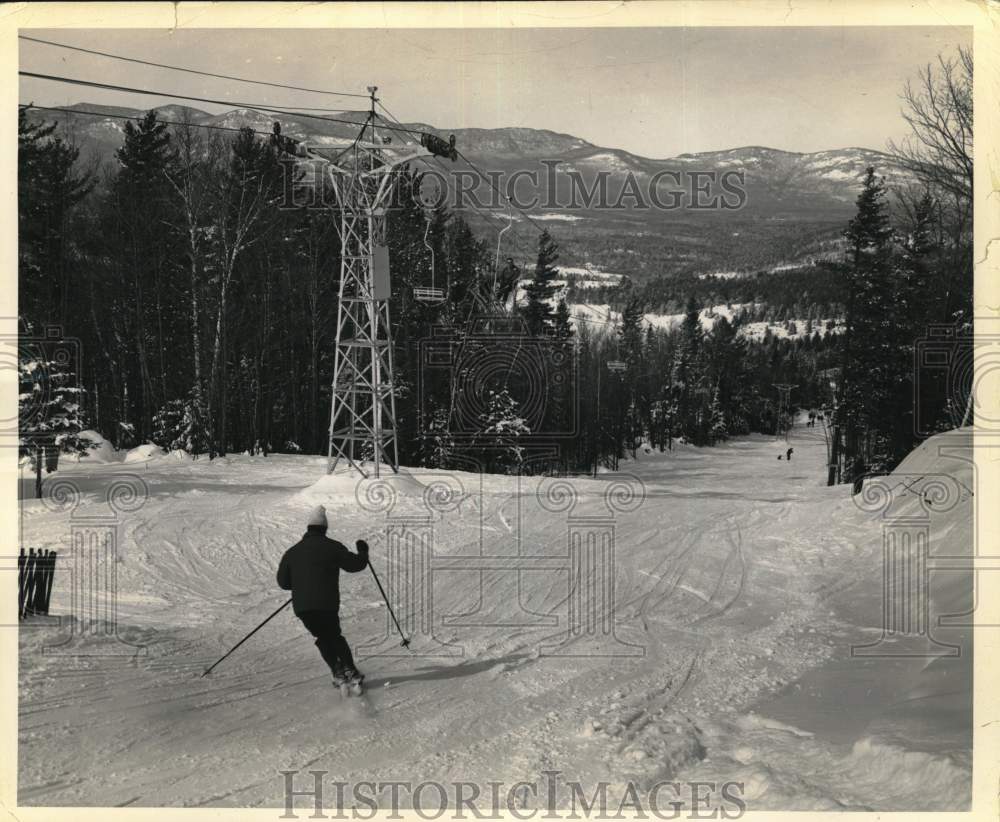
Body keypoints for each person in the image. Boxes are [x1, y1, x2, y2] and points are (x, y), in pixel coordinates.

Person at [277, 505, 369, 689]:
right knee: (334, 635)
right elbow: (355, 565)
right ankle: (349, 670)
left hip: (303, 607)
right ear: (324, 528)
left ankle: (338, 671)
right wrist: (363, 551)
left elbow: (284, 583)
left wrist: (302, 583)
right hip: (327, 603)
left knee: (322, 637)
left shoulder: (292, 552)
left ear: (308, 529)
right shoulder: (333, 547)